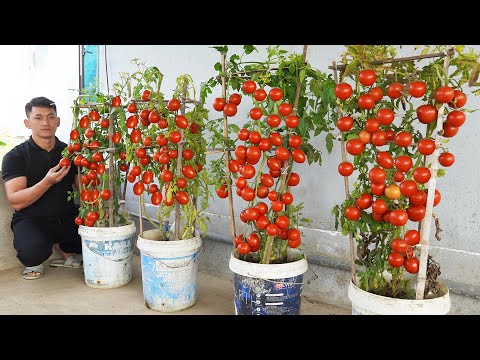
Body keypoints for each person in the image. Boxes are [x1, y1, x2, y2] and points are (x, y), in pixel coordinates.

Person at [1, 96, 82, 280]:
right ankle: (47, 249)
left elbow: (85, 192)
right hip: (32, 219)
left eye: (51, 117)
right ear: (27, 123)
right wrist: (47, 182)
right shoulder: (15, 156)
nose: (46, 122)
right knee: (31, 254)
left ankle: (65, 247)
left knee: (95, 238)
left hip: (66, 217)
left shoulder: (70, 153)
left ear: (58, 121)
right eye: (38, 117)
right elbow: (16, 201)